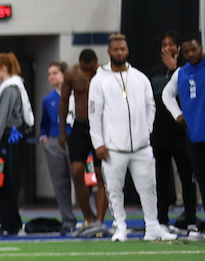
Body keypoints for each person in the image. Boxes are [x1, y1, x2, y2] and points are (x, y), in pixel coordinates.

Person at [88, 33, 175, 242]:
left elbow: (150, 105)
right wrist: (98, 143)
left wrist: (145, 130)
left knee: (149, 188)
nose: (119, 53)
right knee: (114, 190)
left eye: (123, 49)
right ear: (109, 52)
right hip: (113, 147)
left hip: (141, 146)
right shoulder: (99, 80)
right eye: (116, 49)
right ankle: (120, 226)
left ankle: (153, 226)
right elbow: (94, 114)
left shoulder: (139, 77)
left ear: (127, 51)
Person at [149, 32, 198, 234]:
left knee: (187, 177)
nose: (167, 47)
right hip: (160, 132)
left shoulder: (187, 72)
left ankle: (191, 219)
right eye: (164, 44)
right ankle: (162, 220)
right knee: (161, 178)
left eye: (171, 44)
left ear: (178, 49)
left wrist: (173, 69)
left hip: (181, 132)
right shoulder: (154, 73)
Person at [160, 33, 205, 241]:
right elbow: (166, 94)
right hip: (194, 135)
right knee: (201, 181)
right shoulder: (181, 73)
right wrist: (178, 115)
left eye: (194, 49)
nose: (190, 54)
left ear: (201, 47)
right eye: (186, 51)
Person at [59, 49, 109, 231]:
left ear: (97, 62)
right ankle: (88, 217)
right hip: (80, 126)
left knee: (101, 174)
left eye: (91, 70)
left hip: (101, 126)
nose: (88, 74)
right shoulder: (72, 73)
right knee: (77, 171)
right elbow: (63, 101)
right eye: (85, 70)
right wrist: (62, 131)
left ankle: (101, 221)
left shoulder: (106, 74)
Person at [0, 52, 32, 236]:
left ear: (3, 69)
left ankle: (10, 224)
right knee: (6, 180)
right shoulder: (14, 86)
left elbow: (2, 119)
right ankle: (8, 222)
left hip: (10, 137)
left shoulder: (10, 89)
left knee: (7, 181)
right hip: (12, 136)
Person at [39, 62, 78, 234]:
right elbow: (44, 123)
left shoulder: (77, 94)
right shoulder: (48, 99)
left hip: (75, 140)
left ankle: (92, 218)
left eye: (55, 73)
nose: (51, 77)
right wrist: (44, 139)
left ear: (64, 74)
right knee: (60, 184)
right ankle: (67, 220)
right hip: (55, 142)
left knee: (81, 179)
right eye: (49, 74)